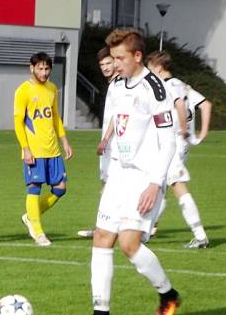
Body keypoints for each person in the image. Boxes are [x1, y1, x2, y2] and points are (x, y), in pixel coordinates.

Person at [91, 29, 180, 315]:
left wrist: (155, 184)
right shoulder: (117, 85)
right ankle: (100, 311)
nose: (115, 64)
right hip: (119, 173)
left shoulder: (154, 89)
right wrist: (107, 166)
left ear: (137, 56)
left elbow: (168, 140)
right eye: (113, 58)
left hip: (144, 177)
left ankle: (168, 295)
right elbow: (116, 123)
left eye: (120, 58)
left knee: (129, 245)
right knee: (102, 237)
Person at [146, 50, 212, 249]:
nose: (149, 74)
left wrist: (183, 129)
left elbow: (180, 105)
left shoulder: (169, 85)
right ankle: (146, 232)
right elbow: (206, 105)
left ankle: (200, 236)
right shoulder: (183, 85)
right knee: (159, 186)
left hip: (174, 141)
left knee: (176, 185)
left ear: (158, 68)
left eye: (150, 70)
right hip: (178, 143)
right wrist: (203, 132)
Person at [14, 52, 73, 247]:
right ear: (31, 68)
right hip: (35, 150)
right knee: (34, 188)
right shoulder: (23, 90)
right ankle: (38, 233)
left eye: (47, 68)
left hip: (53, 150)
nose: (44, 72)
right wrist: (26, 149)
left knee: (60, 188)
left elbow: (55, 117)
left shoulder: (52, 89)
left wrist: (64, 141)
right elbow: (18, 122)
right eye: (40, 68)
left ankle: (30, 216)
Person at [78, 47, 119, 239]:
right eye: (102, 65)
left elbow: (117, 116)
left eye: (108, 63)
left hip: (117, 146)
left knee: (113, 185)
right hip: (112, 144)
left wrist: (105, 138)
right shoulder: (114, 84)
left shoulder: (120, 85)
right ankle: (104, 226)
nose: (105, 67)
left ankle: (106, 228)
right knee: (106, 185)